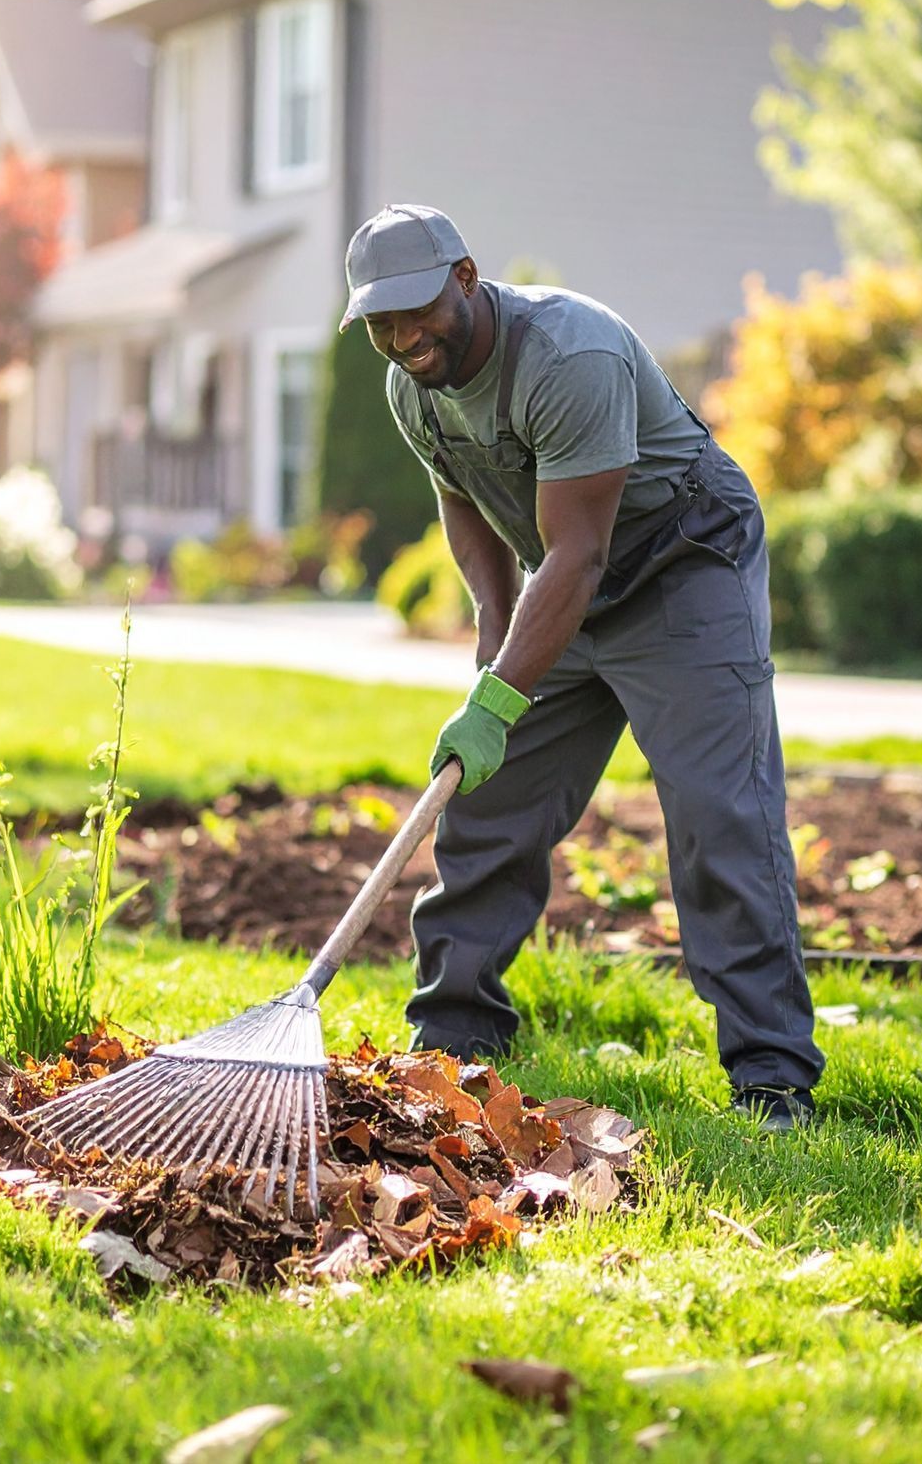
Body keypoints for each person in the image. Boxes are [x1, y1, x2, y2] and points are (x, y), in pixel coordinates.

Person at [339, 203, 822, 1130]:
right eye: (380, 323)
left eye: (416, 311)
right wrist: (491, 626)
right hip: (563, 581)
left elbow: (579, 554)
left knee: (719, 811)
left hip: (682, 562)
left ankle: (772, 1076)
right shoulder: (414, 385)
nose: (403, 338)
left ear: (467, 279)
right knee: (485, 802)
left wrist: (502, 688)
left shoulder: (571, 355)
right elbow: (466, 501)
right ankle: (454, 1037)